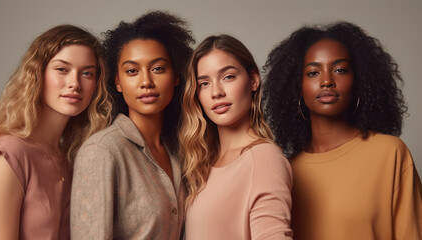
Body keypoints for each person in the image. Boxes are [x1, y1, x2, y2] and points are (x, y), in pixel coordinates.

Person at [263, 22, 422, 240]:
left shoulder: (390, 154)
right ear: (296, 86)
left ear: (359, 81)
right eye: (312, 72)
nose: (327, 81)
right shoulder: (284, 172)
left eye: (340, 70)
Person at [70, 11, 194, 239]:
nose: (146, 82)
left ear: (176, 76)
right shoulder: (102, 150)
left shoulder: (180, 151)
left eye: (158, 68)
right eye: (132, 71)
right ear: (118, 82)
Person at [0, 24, 111, 240]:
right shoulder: (10, 154)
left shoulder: (70, 158)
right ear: (38, 74)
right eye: (62, 69)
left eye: (87, 73)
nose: (74, 83)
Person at [180, 34, 293, 240]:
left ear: (253, 80)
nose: (216, 92)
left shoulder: (264, 158)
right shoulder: (202, 163)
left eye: (228, 77)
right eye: (204, 83)